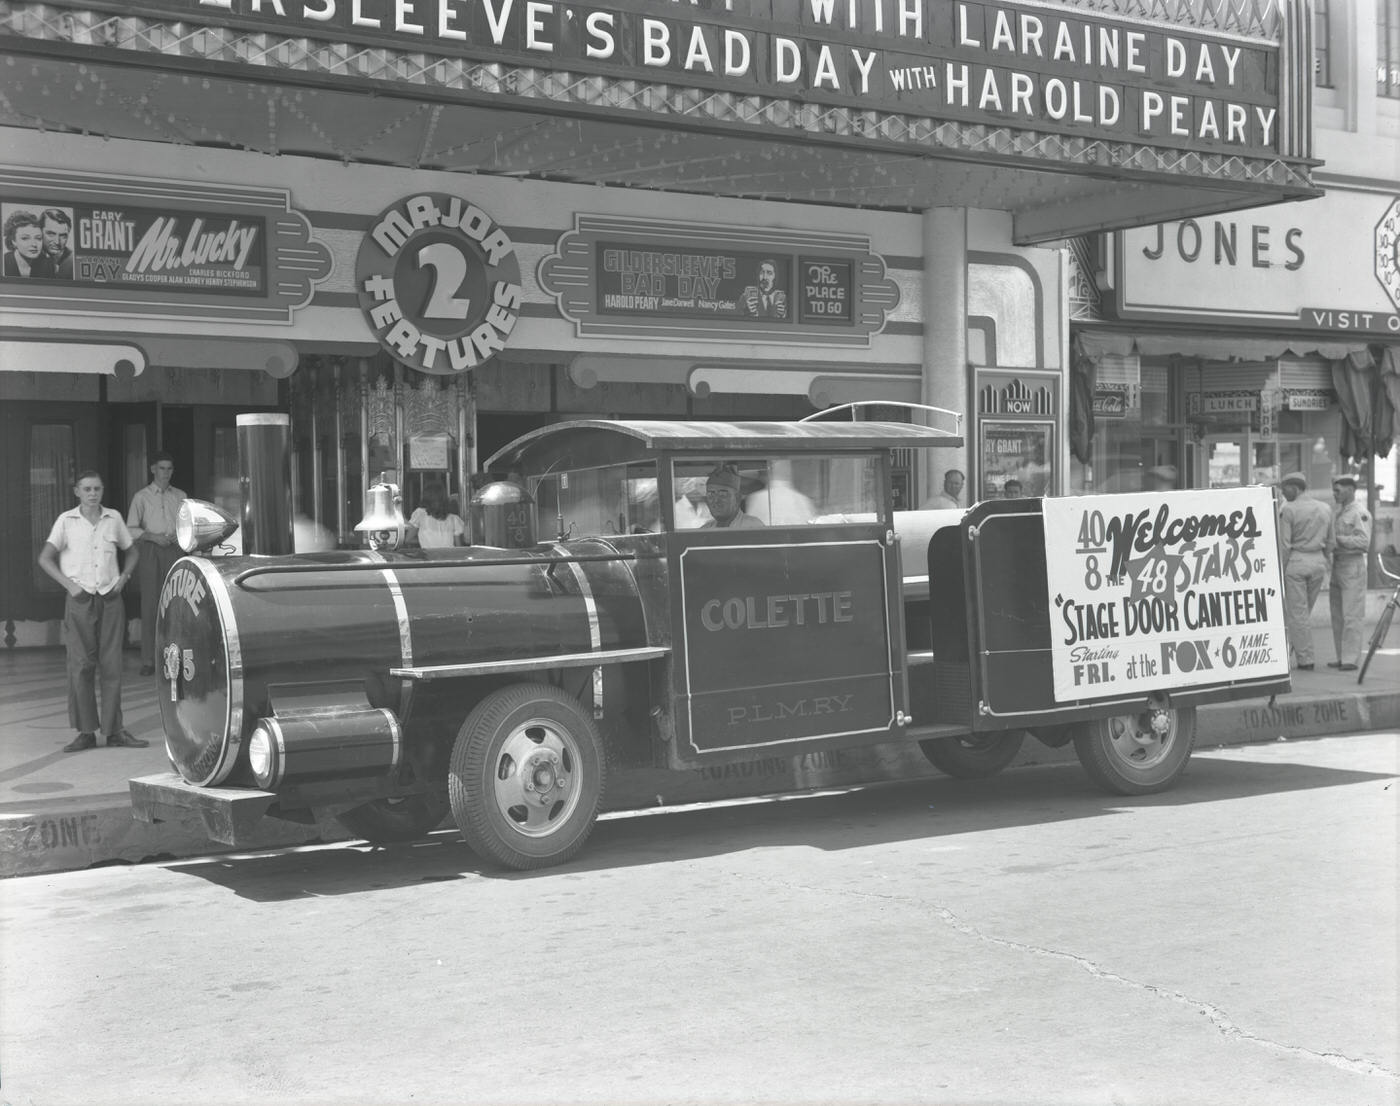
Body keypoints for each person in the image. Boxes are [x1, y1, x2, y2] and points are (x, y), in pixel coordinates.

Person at [37, 470, 149, 752]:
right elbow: (45, 558)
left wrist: (124, 579)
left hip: (111, 598)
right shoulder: (66, 520)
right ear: (77, 491)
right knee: (81, 666)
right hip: (80, 599)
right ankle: (86, 732)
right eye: (86, 489)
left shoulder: (113, 518)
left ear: (102, 491)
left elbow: (132, 551)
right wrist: (69, 586)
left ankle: (114, 731)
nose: (92, 493)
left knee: (112, 666)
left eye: (97, 489)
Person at [127, 451, 187, 677]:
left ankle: (175, 659)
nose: (165, 473)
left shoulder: (180, 495)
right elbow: (131, 528)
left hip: (174, 548)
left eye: (169, 469)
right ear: (153, 469)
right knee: (151, 603)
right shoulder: (141, 497)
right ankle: (149, 660)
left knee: (176, 603)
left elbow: (187, 522)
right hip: (151, 549)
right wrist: (153, 537)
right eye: (161, 468)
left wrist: (177, 535)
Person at [1278, 472, 1333, 670]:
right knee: (1303, 612)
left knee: (1297, 614)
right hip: (1318, 562)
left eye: (1285, 487)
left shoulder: (1289, 510)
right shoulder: (1325, 508)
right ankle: (1294, 650)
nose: (1283, 492)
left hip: (1296, 562)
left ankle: (1305, 658)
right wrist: (1327, 563)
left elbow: (1285, 545)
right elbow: (1331, 541)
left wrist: (1279, 570)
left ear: (1295, 487)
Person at [1327, 473, 1371, 671]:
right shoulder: (1340, 512)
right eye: (1334, 490)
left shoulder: (1359, 512)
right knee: (1337, 615)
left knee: (1352, 615)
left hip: (1352, 566)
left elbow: (1364, 543)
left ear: (1350, 490)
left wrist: (1338, 540)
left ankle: (1350, 659)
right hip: (1338, 565)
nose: (1334, 494)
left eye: (1338, 490)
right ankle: (1341, 656)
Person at [699, 465, 765, 529]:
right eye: (711, 495)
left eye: (722, 494)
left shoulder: (752, 526)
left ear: (737, 498)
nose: (716, 500)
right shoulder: (706, 529)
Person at [406, 482, 466, 548]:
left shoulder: (420, 514)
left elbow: (408, 539)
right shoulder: (454, 519)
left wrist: (424, 540)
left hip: (429, 557)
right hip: (449, 557)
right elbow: (459, 548)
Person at [3, 209, 47, 278]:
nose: (34, 244)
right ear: (13, 241)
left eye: (38, 238)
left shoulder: (47, 265)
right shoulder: (3, 263)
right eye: (25, 238)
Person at [39, 208, 74, 279]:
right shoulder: (30, 256)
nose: (57, 242)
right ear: (40, 232)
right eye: (51, 234)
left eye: (63, 236)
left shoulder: (73, 261)